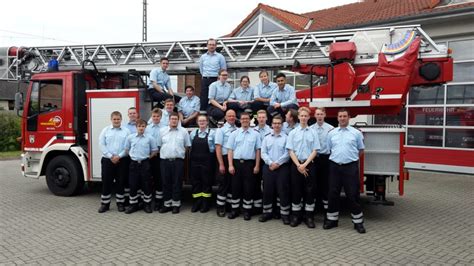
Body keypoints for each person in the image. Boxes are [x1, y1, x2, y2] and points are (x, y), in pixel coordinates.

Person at [324, 108, 366, 234]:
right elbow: (328, 149)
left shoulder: (356, 133)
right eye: (340, 116)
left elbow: (361, 150)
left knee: (353, 195)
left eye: (344, 116)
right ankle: (332, 220)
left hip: (350, 167)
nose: (342, 118)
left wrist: (350, 160)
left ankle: (358, 223)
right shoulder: (331, 133)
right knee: (333, 193)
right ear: (337, 118)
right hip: (335, 166)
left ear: (349, 118)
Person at [286, 107, 320, 228]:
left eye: (306, 116)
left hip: (309, 165)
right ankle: (296, 216)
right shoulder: (293, 133)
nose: (304, 118)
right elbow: (290, 150)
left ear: (309, 117)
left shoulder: (313, 132)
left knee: (310, 191)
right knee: (296, 190)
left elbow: (315, 150)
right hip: (296, 165)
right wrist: (299, 165)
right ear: (298, 117)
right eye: (302, 116)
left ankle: (309, 217)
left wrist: (305, 165)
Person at [226, 112, 261, 220]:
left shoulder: (256, 134)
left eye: (247, 118)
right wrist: (230, 165)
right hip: (236, 164)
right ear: (240, 120)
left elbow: (258, 151)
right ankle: (234, 210)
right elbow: (230, 150)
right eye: (243, 119)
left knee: (248, 188)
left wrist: (257, 165)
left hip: (249, 164)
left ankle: (247, 211)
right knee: (235, 187)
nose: (245, 120)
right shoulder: (234, 134)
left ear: (250, 120)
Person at [259, 115, 291, 224]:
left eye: (279, 123)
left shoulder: (286, 137)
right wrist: (270, 162)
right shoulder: (267, 137)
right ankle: (267, 213)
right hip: (269, 167)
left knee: (283, 191)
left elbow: (288, 153)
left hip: (282, 168)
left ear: (282, 125)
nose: (276, 125)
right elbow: (263, 152)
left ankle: (284, 215)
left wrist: (277, 163)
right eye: (275, 123)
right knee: (267, 190)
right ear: (271, 125)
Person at [158, 112, 191, 214]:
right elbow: (159, 146)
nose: (174, 121)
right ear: (169, 120)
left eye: (176, 119)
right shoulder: (162, 131)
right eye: (172, 119)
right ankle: (167, 204)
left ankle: (176, 205)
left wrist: (179, 154)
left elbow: (187, 146)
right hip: (165, 161)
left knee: (177, 183)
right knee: (166, 183)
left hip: (178, 161)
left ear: (178, 120)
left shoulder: (184, 132)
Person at [97, 111, 130, 213]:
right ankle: (105, 204)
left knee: (121, 182)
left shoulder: (126, 131)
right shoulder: (105, 130)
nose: (116, 121)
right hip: (108, 160)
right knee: (107, 182)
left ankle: (120, 203)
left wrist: (119, 156)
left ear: (121, 119)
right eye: (114, 119)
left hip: (122, 160)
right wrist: (111, 156)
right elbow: (101, 144)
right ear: (111, 120)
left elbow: (128, 147)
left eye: (118, 119)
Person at [123, 119, 158, 214]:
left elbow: (154, 151)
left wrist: (147, 158)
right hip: (134, 164)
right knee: (133, 184)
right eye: (139, 126)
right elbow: (126, 149)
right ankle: (133, 205)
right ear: (136, 127)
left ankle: (146, 204)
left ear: (145, 127)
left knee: (146, 184)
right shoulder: (130, 138)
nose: (141, 128)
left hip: (145, 163)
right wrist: (133, 157)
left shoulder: (150, 138)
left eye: (143, 126)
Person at [189, 114, 216, 213]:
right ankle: (197, 202)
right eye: (200, 121)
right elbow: (189, 147)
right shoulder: (193, 133)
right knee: (196, 182)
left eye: (204, 121)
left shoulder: (212, 133)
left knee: (206, 182)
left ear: (207, 122)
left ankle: (206, 203)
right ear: (197, 122)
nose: (202, 122)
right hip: (194, 162)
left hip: (207, 162)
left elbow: (215, 149)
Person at [310, 107, 334, 215]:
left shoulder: (331, 129)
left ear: (325, 115)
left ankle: (326, 210)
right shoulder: (310, 129)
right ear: (314, 116)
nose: (319, 116)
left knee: (325, 184)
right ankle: (313, 209)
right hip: (313, 159)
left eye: (321, 114)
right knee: (313, 183)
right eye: (317, 114)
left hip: (325, 159)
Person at [214, 109, 238, 217]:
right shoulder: (221, 130)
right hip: (224, 158)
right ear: (225, 117)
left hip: (233, 159)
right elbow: (218, 148)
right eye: (229, 116)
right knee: (223, 184)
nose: (231, 118)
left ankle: (229, 206)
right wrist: (221, 164)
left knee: (232, 184)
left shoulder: (237, 129)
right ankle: (220, 207)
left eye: (233, 116)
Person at [252, 110, 272, 214]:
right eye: (259, 117)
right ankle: (257, 206)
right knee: (255, 183)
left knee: (267, 185)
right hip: (256, 160)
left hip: (267, 161)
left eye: (263, 117)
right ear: (257, 118)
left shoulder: (271, 130)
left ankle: (267, 206)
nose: (261, 119)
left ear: (266, 118)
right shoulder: (253, 130)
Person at [199, 38, 227, 111]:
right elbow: (201, 69)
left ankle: (215, 114)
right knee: (204, 98)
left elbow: (223, 69)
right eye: (210, 44)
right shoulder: (203, 57)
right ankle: (203, 115)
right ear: (207, 46)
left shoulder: (220, 57)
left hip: (215, 79)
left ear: (216, 46)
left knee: (215, 98)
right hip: (205, 79)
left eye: (213, 45)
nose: (212, 46)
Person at [145, 108, 164, 211]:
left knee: (158, 179)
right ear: (151, 117)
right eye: (154, 116)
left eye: (158, 116)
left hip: (160, 157)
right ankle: (147, 201)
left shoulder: (165, 128)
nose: (156, 118)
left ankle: (158, 201)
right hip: (148, 157)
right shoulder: (147, 128)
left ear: (161, 117)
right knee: (147, 179)